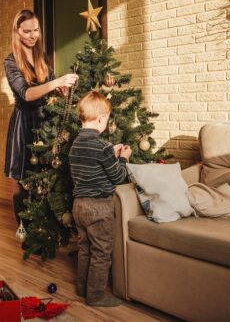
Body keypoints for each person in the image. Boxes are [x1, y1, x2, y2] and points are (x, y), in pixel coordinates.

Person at [4, 9, 78, 224]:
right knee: (24, 182)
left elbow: (50, 87)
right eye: (27, 31)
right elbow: (26, 94)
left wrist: (60, 89)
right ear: (17, 32)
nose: (32, 35)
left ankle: (45, 229)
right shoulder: (11, 62)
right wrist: (55, 83)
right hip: (25, 125)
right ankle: (24, 231)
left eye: (36, 30)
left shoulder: (41, 58)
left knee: (46, 176)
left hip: (45, 121)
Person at [68, 91, 132, 307]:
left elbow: (91, 166)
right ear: (101, 118)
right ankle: (95, 295)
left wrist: (109, 155)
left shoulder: (75, 145)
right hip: (99, 207)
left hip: (79, 206)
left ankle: (82, 288)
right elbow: (118, 176)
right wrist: (122, 159)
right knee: (102, 252)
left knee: (85, 247)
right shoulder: (102, 146)